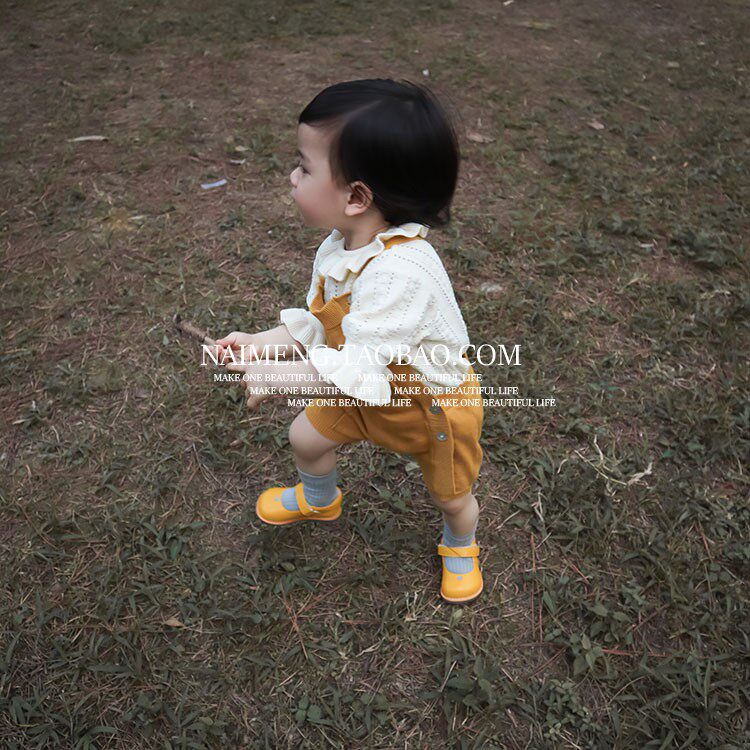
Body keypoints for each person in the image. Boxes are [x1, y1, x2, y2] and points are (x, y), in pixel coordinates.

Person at [216, 79, 485, 603]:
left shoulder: (400, 274)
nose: (292, 176)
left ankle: (460, 544)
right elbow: (322, 323)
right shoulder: (342, 246)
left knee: (452, 496)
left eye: (304, 167)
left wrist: (279, 378)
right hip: (358, 386)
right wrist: (260, 344)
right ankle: (320, 499)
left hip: (428, 407)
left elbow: (361, 363)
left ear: (357, 197)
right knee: (306, 437)